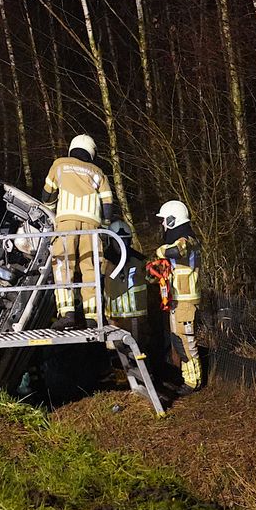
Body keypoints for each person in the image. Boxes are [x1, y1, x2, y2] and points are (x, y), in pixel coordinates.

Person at [42, 134, 115, 328]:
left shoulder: (60, 165)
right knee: (91, 269)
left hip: (66, 223)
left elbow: (47, 195)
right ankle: (93, 317)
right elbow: (108, 204)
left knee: (63, 265)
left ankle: (67, 313)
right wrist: (104, 226)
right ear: (92, 152)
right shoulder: (98, 172)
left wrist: (51, 209)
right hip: (92, 227)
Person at [153, 200, 201, 393]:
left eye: (164, 220)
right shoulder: (179, 239)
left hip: (186, 299)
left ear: (173, 220)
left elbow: (175, 250)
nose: (163, 225)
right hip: (177, 299)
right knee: (178, 340)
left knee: (186, 341)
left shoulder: (187, 239)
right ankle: (186, 378)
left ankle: (193, 381)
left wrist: (160, 251)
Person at [101, 220, 150, 348]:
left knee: (136, 349)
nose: (121, 245)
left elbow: (150, 279)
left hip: (134, 317)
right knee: (115, 350)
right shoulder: (105, 260)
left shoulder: (139, 260)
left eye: (124, 241)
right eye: (117, 241)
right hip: (114, 317)